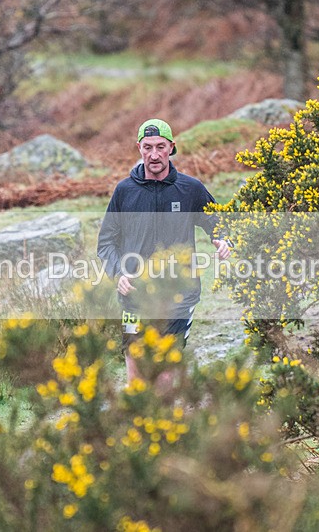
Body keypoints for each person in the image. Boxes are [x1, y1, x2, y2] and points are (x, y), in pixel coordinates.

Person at [97, 118, 231, 385]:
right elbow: (106, 243)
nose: (154, 154)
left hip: (179, 296)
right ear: (138, 148)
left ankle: (165, 423)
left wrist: (223, 239)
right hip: (134, 296)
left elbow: (219, 222)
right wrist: (118, 274)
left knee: (165, 378)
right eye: (147, 147)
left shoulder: (190, 189)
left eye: (160, 146)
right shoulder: (124, 191)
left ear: (172, 147)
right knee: (136, 373)